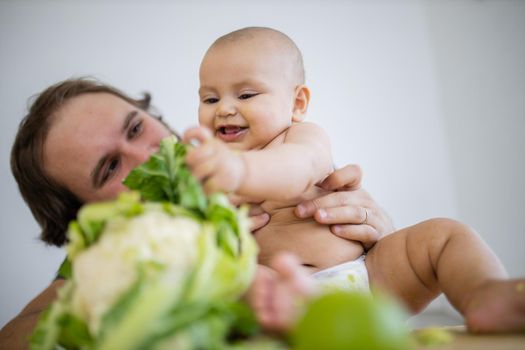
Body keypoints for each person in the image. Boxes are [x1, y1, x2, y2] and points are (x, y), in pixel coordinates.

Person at [0, 77, 393, 348]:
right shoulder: (107, 260)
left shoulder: (254, 162)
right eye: (110, 168)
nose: (146, 156)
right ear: (88, 219)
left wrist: (377, 237)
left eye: (136, 129)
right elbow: (15, 335)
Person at [183, 26, 524, 333]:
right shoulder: (207, 166)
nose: (224, 109)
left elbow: (296, 169)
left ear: (297, 103)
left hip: (369, 275)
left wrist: (239, 172)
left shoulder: (301, 138)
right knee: (235, 282)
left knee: (443, 235)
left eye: (245, 95)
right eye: (210, 99)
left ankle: (484, 293)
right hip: (279, 296)